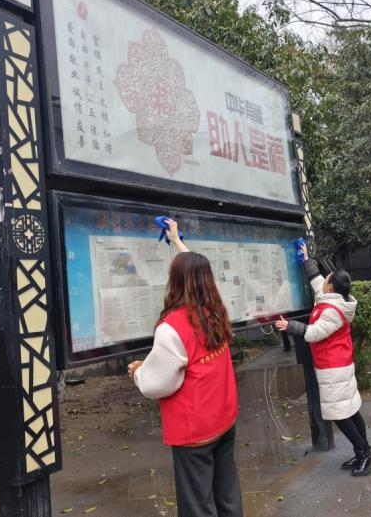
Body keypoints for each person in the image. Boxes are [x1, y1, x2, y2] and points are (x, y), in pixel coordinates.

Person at [129, 219, 242, 517]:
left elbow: (156, 384)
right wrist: (177, 241)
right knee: (227, 493)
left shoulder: (172, 327)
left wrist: (138, 371)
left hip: (195, 430)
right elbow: (198, 271)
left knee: (197, 505)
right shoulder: (215, 310)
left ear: (176, 282)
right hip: (223, 417)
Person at [275, 244, 371, 476]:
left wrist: (289, 326)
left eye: (327, 278)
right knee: (350, 410)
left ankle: (364, 454)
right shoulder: (333, 297)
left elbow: (314, 333)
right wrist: (307, 260)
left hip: (334, 368)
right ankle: (365, 451)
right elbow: (316, 280)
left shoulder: (332, 310)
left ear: (330, 286)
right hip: (338, 365)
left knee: (339, 415)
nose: (324, 279)